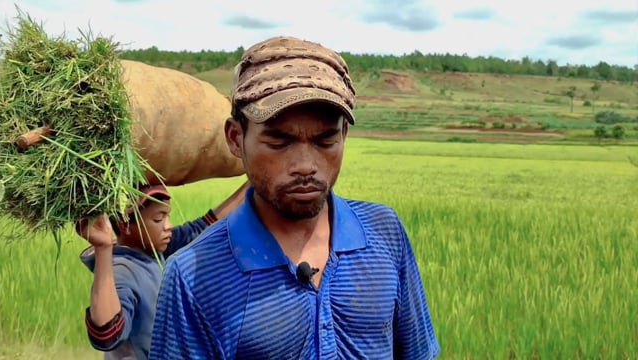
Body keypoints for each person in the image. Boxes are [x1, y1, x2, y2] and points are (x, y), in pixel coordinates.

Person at [149, 36, 440, 359]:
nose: (305, 166)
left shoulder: (384, 233)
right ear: (236, 138)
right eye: (279, 142)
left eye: (325, 140)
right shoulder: (193, 277)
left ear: (343, 134)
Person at [76, 180, 249, 360]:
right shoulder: (124, 271)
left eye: (167, 216)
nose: (168, 226)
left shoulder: (156, 252)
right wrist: (103, 249)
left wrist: (253, 185)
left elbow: (202, 228)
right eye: (158, 219)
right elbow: (107, 336)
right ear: (125, 224)